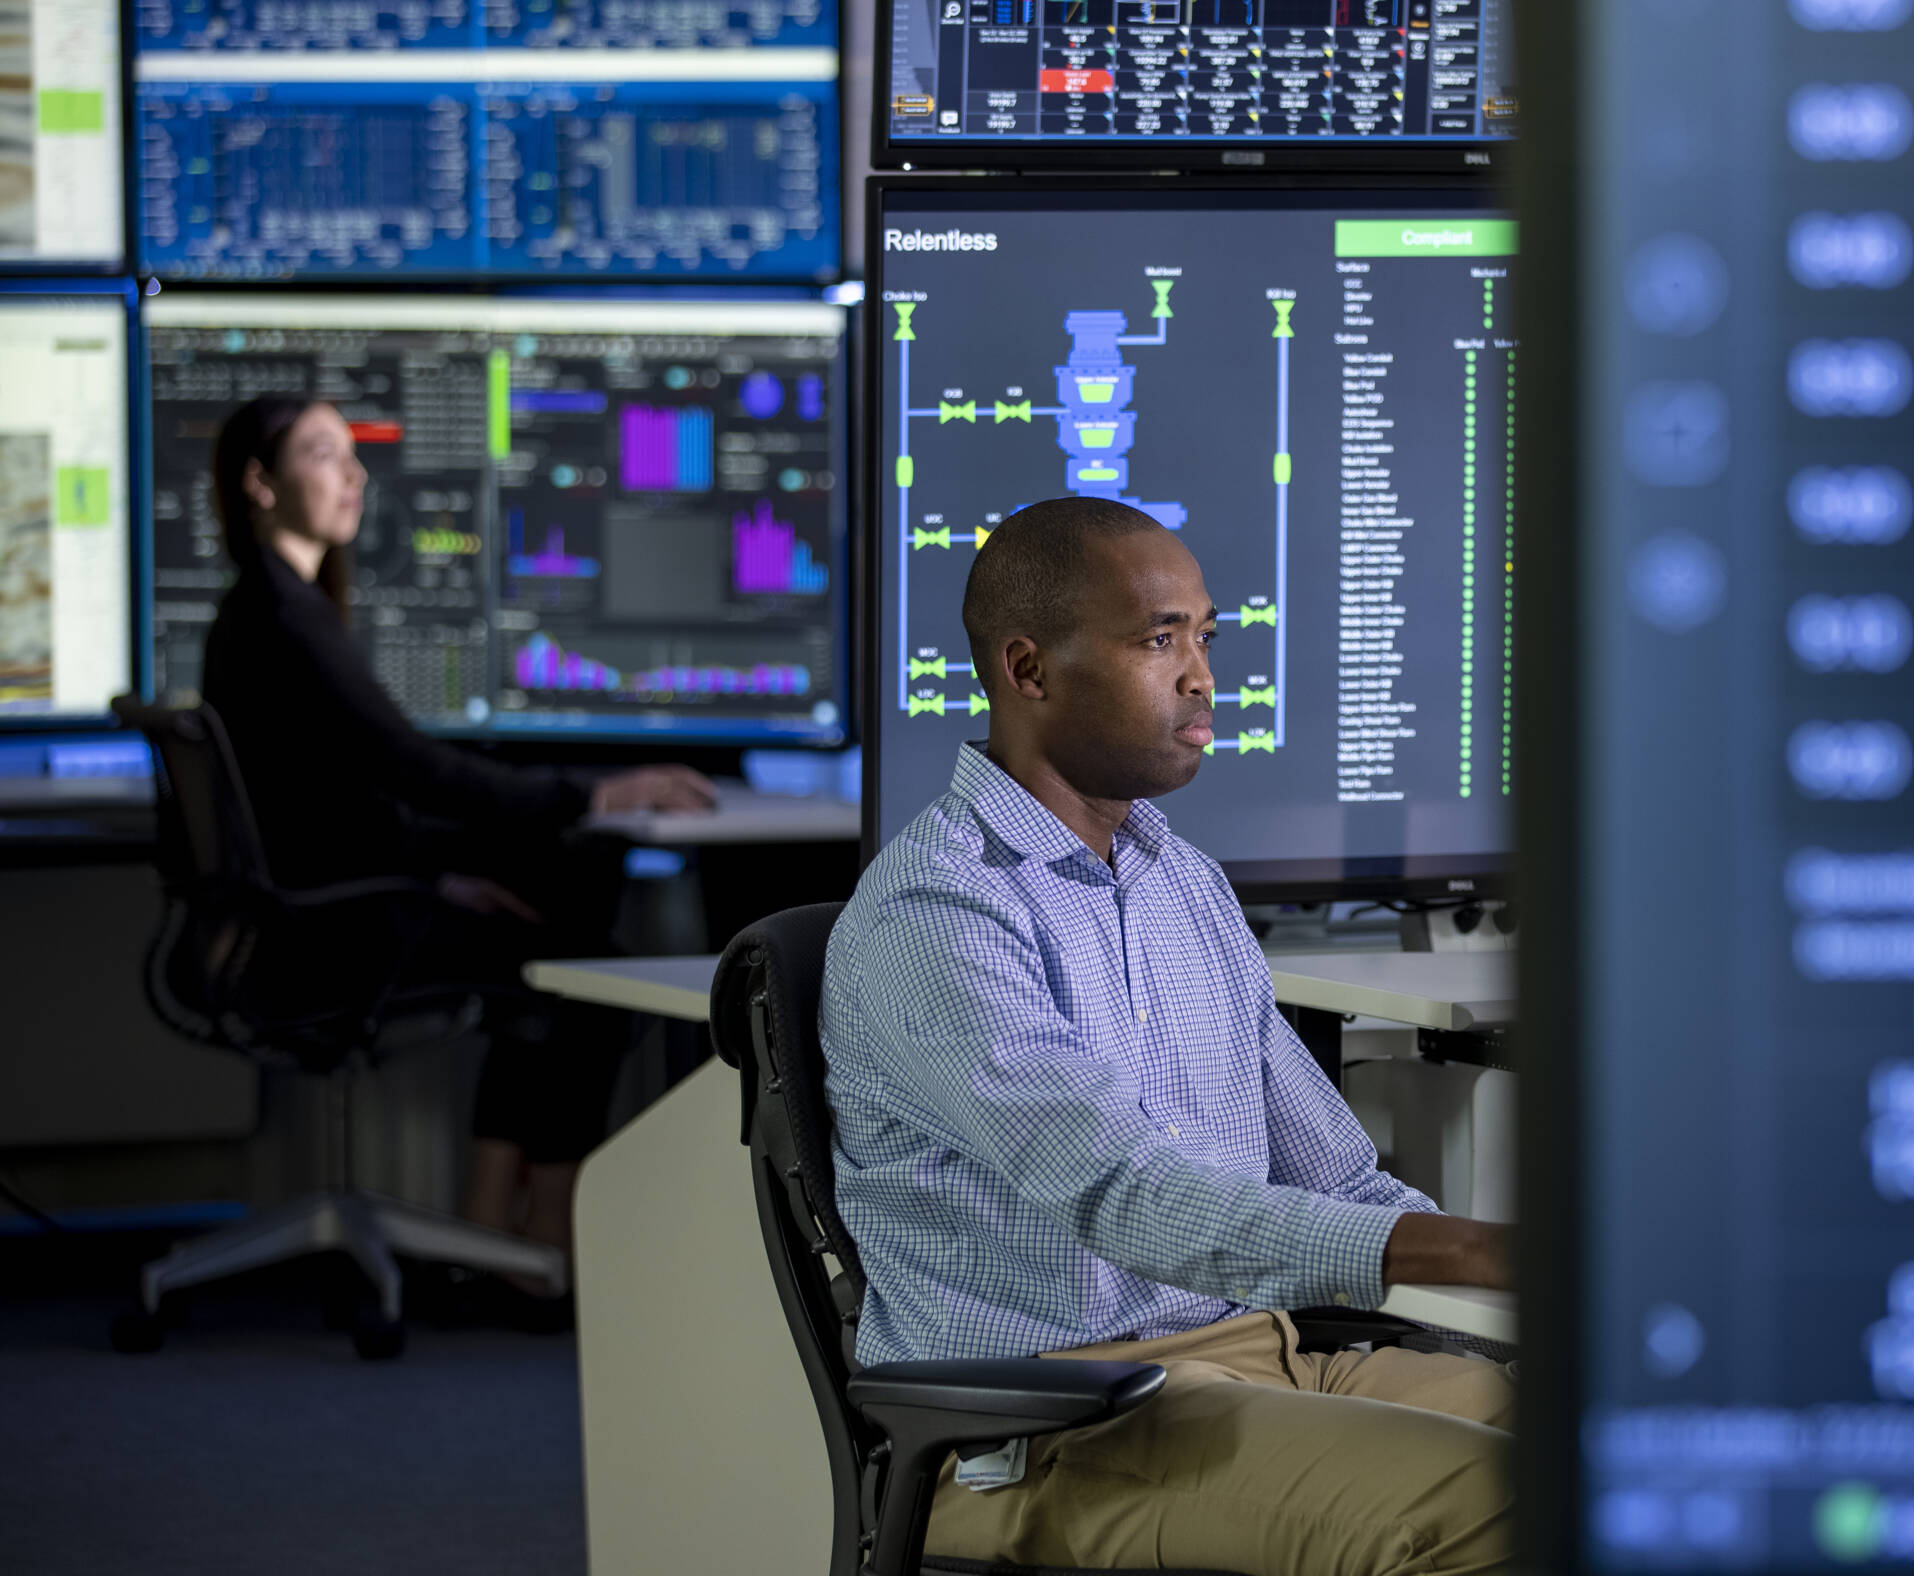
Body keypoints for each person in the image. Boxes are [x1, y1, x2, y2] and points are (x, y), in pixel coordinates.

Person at [824, 495, 1516, 1575]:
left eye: (1205, 638)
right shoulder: (937, 913)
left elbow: (1340, 1180)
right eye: (1159, 641)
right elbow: (1130, 1200)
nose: (1201, 677)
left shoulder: (1180, 880)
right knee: (1490, 1503)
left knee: (1639, 1447)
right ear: (1027, 669)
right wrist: (1477, 1253)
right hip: (1053, 1421)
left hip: (1265, 1361)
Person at [197, 393, 716, 1303]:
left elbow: (326, 808)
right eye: (322, 454)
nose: (354, 474)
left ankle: (492, 1216)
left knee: (567, 912)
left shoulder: (268, 608)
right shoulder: (285, 617)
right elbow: (410, 768)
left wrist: (441, 873)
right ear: (260, 483)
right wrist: (596, 793)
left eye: (353, 454)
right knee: (585, 970)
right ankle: (539, 1235)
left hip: (312, 907)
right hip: (323, 930)